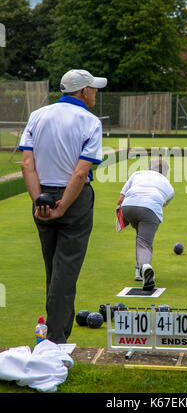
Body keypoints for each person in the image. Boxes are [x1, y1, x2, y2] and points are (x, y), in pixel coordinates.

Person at [19, 69, 107, 344]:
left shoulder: (37, 115)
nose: (95, 93)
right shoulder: (90, 121)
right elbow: (80, 174)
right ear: (83, 92)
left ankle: (50, 333)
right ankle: (55, 341)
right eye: (93, 88)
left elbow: (26, 164)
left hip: (41, 195)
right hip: (74, 199)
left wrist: (39, 202)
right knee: (65, 271)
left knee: (53, 269)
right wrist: (61, 207)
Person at [117, 158, 174, 291]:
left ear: (149, 167)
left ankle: (138, 270)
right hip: (150, 209)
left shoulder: (137, 174)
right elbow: (163, 203)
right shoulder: (169, 186)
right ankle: (145, 267)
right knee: (145, 242)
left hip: (128, 207)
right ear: (165, 171)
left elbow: (120, 199)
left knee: (140, 236)